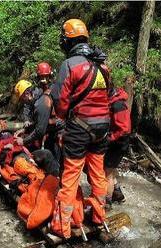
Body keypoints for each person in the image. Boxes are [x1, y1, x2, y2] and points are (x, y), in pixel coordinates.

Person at [50, 19, 111, 239]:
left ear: (68, 41)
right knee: (98, 175)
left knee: (71, 176)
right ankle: (98, 215)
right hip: (103, 127)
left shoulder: (70, 65)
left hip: (80, 127)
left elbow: (60, 99)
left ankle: (62, 226)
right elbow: (108, 95)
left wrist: (64, 120)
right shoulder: (103, 65)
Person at [104, 87, 131, 205]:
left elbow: (123, 128)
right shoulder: (114, 102)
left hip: (119, 141)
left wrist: (110, 138)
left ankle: (106, 203)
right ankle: (118, 194)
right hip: (117, 140)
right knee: (110, 168)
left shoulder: (118, 105)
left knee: (107, 173)